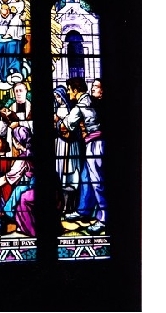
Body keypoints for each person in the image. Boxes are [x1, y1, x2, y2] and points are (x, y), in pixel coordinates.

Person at [62, 77, 106, 235]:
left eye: (69, 90)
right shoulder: (89, 100)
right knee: (86, 178)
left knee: (97, 181)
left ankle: (104, 217)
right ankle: (83, 210)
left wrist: (58, 122)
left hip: (95, 145)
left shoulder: (81, 105)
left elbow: (66, 124)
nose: (68, 93)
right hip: (94, 143)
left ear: (75, 90)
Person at [0, 126, 35, 236]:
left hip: (30, 187)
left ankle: (5, 222)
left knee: (12, 199)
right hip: (32, 184)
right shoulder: (31, 153)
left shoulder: (22, 159)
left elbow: (6, 178)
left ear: (17, 142)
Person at [53, 85, 82, 215]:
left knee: (71, 172)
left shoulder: (72, 109)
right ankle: (63, 205)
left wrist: (59, 121)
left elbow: (72, 126)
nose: (57, 99)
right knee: (62, 173)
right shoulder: (57, 108)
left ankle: (72, 206)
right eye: (55, 97)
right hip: (60, 143)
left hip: (70, 144)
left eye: (59, 96)